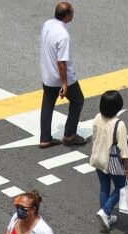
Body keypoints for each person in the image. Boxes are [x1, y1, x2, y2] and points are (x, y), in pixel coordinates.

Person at [39, 2, 86, 149]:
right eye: (72, 12)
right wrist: (65, 84)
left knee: (47, 104)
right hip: (61, 78)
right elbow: (62, 63)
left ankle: (45, 138)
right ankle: (69, 135)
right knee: (78, 100)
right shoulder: (63, 35)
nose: (73, 14)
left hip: (47, 75)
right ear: (66, 16)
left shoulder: (47, 24)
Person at [89, 90, 128, 232]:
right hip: (112, 162)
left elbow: (94, 137)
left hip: (97, 158)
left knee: (104, 187)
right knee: (123, 187)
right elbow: (123, 149)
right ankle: (106, 211)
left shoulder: (97, 117)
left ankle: (105, 216)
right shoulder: (119, 124)